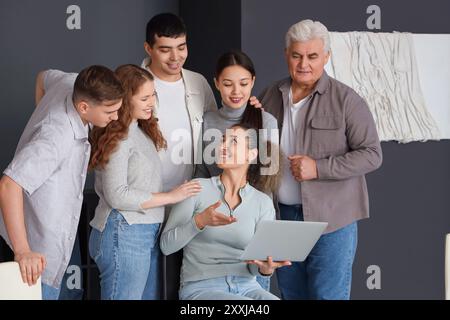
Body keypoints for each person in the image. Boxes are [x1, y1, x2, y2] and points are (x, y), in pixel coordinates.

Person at [259, 19, 383, 300]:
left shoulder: (347, 100)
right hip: (283, 218)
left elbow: (372, 154)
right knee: (292, 295)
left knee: (328, 297)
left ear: (326, 56)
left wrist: (319, 168)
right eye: (297, 55)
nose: (304, 64)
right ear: (286, 54)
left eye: (312, 56)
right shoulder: (269, 96)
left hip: (333, 220)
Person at [0, 66, 124, 299]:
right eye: (110, 112)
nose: (116, 117)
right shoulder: (56, 137)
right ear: (84, 107)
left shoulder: (71, 82)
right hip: (38, 248)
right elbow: (9, 185)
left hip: (60, 230)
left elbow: (42, 76)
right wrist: (23, 251)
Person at [88, 65, 201, 300]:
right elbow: (117, 195)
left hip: (142, 232)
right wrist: (171, 196)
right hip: (124, 232)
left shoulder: (140, 130)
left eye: (153, 95)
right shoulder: (119, 137)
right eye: (144, 97)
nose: (151, 102)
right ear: (126, 99)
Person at [161, 123, 289, 300]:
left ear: (251, 155)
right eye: (222, 140)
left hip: (247, 287)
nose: (222, 146)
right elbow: (166, 246)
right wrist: (199, 222)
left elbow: (254, 267)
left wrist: (265, 269)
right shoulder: (196, 189)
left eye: (233, 141)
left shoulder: (263, 203)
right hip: (201, 289)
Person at [195, 50, 279, 291]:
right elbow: (201, 171)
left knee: (255, 292)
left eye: (243, 84)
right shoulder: (207, 120)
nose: (236, 92)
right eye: (228, 84)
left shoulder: (267, 121)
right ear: (216, 84)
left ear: (253, 81)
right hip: (215, 224)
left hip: (255, 227)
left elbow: (270, 177)